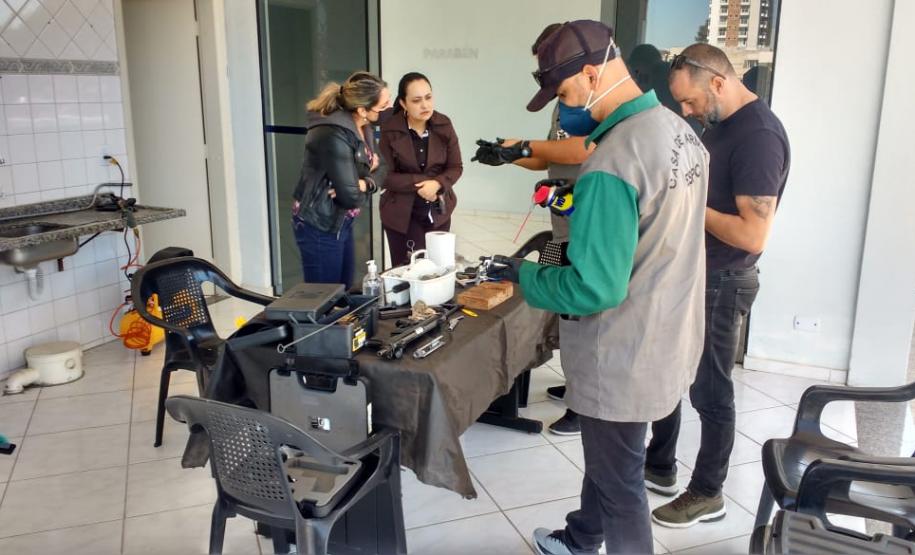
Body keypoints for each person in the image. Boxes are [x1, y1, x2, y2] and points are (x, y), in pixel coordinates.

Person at [486, 20, 708, 554]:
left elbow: (594, 288)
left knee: (621, 483)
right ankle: (582, 539)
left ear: (591, 74)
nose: (563, 111)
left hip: (623, 351)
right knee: (615, 460)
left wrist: (526, 274)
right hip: (668, 333)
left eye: (563, 94)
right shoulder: (678, 132)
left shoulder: (612, 160)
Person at [646, 43, 790, 528]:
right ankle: (659, 465)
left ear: (718, 82)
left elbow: (753, 233)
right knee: (667, 372)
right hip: (696, 273)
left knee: (710, 391)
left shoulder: (759, 137)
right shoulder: (722, 126)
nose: (686, 113)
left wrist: (688, 202)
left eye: (690, 103)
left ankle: (708, 491)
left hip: (725, 280)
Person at [472, 22, 595, 437]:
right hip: (562, 223)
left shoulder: (592, 104)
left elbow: (581, 149)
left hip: (588, 225)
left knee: (582, 313)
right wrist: (509, 156)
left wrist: (525, 145)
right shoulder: (563, 105)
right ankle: (579, 385)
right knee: (564, 314)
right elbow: (547, 158)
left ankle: (584, 405)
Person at [291, 71, 391, 289]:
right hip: (320, 222)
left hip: (341, 221)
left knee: (343, 291)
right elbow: (349, 197)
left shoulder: (363, 125)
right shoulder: (333, 133)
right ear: (362, 109)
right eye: (383, 106)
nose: (388, 109)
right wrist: (362, 180)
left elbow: (382, 167)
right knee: (324, 297)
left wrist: (364, 183)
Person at [379, 72, 462, 267]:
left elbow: (456, 166)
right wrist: (420, 184)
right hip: (402, 214)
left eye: (428, 97)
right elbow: (383, 175)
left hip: (439, 211)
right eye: (416, 100)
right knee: (408, 273)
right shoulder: (390, 129)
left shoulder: (444, 124)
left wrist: (437, 184)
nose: (425, 105)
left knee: (438, 270)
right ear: (403, 103)